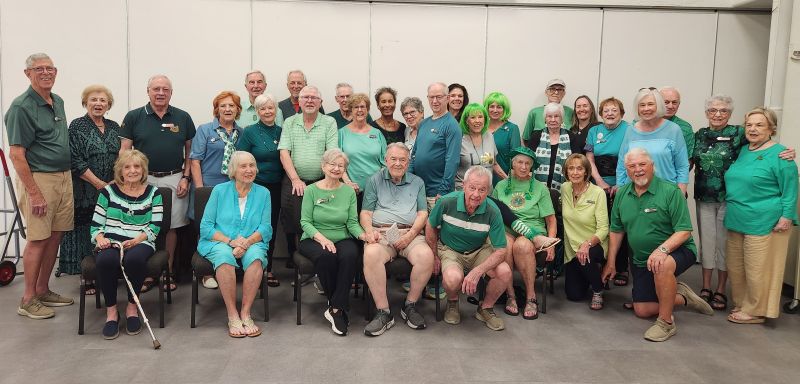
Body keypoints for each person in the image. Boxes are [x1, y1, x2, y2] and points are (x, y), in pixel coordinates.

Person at [692, 97, 794, 311]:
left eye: (723, 110)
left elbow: (769, 153)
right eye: (712, 110)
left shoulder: (741, 135)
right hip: (709, 198)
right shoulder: (701, 135)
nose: (717, 114)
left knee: (729, 249)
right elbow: (689, 161)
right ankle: (711, 289)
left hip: (737, 203)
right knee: (715, 248)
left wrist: (788, 152)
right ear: (706, 112)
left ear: (730, 114)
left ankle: (724, 291)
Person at [602, 148, 713, 342]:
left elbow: (684, 230)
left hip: (678, 251)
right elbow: (616, 230)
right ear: (626, 170)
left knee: (661, 265)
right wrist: (611, 262)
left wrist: (662, 250)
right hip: (641, 260)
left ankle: (666, 322)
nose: (638, 170)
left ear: (653, 166)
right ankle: (683, 297)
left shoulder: (671, 192)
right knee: (642, 310)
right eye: (632, 166)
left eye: (642, 164)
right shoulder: (621, 195)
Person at [6, 53, 74, 319]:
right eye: (39, 69)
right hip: (39, 179)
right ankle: (27, 299)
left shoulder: (57, 101)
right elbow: (16, 154)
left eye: (50, 68)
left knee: (55, 235)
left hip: (63, 177)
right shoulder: (21, 107)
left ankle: (43, 289)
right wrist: (34, 193)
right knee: (37, 238)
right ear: (27, 73)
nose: (46, 73)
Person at [120, 74, 195, 293]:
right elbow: (124, 150)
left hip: (175, 177)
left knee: (170, 227)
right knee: (143, 225)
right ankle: (145, 273)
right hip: (143, 179)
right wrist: (125, 180)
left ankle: (167, 271)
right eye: (156, 89)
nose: (160, 93)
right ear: (148, 91)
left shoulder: (182, 117)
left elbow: (191, 152)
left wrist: (186, 177)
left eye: (165, 89)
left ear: (171, 93)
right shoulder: (134, 116)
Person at [724, 107, 798, 324]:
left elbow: (791, 189)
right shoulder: (744, 150)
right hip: (737, 218)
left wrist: (787, 217)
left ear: (771, 129)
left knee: (758, 269)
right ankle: (742, 303)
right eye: (749, 125)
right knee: (736, 267)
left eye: (759, 125)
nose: (753, 129)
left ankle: (756, 310)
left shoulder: (782, 155)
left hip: (765, 220)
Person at [198, 151, 273, 338]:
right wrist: (230, 242)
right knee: (224, 256)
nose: (249, 170)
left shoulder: (264, 193)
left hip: (251, 241)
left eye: (252, 165)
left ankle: (246, 313)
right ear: (233, 170)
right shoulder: (219, 191)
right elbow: (206, 227)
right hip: (219, 241)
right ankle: (232, 315)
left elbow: (265, 228)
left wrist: (246, 243)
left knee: (256, 257)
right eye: (243, 166)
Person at [427, 166, 512, 330]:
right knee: (452, 278)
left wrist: (477, 271)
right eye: (472, 188)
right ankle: (452, 303)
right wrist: (434, 256)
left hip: (479, 249)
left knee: (504, 272)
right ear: (463, 185)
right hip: (450, 249)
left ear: (488, 190)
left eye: (482, 189)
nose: (476, 194)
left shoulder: (493, 210)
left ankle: (485, 308)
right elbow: (430, 226)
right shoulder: (447, 202)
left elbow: (501, 249)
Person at [361, 143, 433, 336]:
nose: (398, 163)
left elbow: (422, 213)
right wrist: (369, 232)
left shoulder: (418, 182)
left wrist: (410, 236)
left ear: (408, 162)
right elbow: (366, 212)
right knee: (371, 253)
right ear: (386, 160)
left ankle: (410, 306)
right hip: (382, 233)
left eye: (402, 160)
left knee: (426, 256)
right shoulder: (374, 180)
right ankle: (383, 312)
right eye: (393, 159)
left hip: (410, 233)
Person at [90, 150, 163, 339]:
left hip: (141, 240)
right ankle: (112, 312)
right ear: (120, 171)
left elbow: (155, 227)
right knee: (106, 261)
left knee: (135, 260)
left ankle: (132, 308)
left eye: (137, 166)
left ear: (144, 170)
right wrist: (100, 239)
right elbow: (96, 225)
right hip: (111, 240)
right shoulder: (107, 192)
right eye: (127, 167)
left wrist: (138, 239)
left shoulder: (154, 193)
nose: (132, 171)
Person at [299, 149, 371, 336]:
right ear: (323, 166)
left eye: (341, 166)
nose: (336, 168)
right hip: (313, 237)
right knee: (326, 255)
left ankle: (335, 308)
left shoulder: (348, 192)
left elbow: (352, 223)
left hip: (342, 236)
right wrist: (322, 239)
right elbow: (305, 222)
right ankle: (339, 307)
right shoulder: (311, 190)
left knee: (350, 255)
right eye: (332, 164)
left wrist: (364, 236)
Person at [59, 85, 120, 285]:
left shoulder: (114, 126)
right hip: (84, 189)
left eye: (103, 100)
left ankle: (105, 270)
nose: (98, 104)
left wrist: (115, 181)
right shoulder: (77, 126)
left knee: (106, 228)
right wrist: (98, 183)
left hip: (111, 189)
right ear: (85, 102)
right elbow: (74, 160)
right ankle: (87, 276)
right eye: (93, 100)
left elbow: (122, 156)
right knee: (85, 230)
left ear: (108, 105)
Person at [492, 147, 560, 319]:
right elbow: (492, 214)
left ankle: (531, 297)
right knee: (505, 244)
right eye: (519, 162)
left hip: (532, 230)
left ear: (532, 167)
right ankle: (511, 295)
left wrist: (550, 245)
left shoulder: (540, 188)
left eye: (527, 163)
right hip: (506, 230)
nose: (523, 167)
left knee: (522, 245)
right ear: (512, 164)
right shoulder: (500, 186)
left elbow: (551, 220)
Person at [278, 85, 338, 271]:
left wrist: (323, 182)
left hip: (322, 180)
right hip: (295, 179)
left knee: (321, 220)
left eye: (314, 97)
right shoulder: (290, 122)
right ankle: (297, 261)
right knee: (293, 220)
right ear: (299, 102)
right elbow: (284, 152)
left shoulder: (329, 122)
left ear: (320, 102)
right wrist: (296, 179)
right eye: (306, 97)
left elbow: (331, 153)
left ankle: (319, 261)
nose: (310, 101)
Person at [236, 93, 284, 287]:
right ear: (257, 112)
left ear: (276, 110)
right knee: (251, 225)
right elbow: (240, 158)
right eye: (263, 108)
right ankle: (246, 265)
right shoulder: (249, 132)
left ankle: (267, 267)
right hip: (254, 187)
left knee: (268, 227)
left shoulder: (282, 131)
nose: (267, 112)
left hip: (277, 186)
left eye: (270, 108)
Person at [615, 88, 689, 195]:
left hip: (666, 194)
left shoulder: (673, 130)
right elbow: (622, 164)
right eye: (642, 105)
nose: (646, 108)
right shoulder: (630, 130)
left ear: (658, 106)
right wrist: (621, 191)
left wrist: (680, 194)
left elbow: (682, 166)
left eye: (650, 104)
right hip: (634, 193)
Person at [560, 154, 608, 309]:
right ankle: (590, 272)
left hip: (594, 244)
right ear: (566, 172)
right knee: (574, 295)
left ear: (586, 171)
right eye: (571, 168)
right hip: (572, 248)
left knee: (586, 256)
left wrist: (587, 244)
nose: (575, 172)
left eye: (579, 168)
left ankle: (598, 289)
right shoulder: (564, 188)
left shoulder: (597, 192)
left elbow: (603, 228)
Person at [409, 82, 462, 209]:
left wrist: (443, 190)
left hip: (437, 193)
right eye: (431, 97)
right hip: (418, 190)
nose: (435, 101)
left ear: (447, 98)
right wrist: (408, 180)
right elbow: (414, 154)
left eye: (439, 97)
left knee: (436, 228)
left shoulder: (452, 125)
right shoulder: (423, 123)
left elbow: (452, 161)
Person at [339, 93, 387, 203]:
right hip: (350, 190)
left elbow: (386, 162)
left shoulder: (377, 133)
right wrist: (348, 183)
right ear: (351, 110)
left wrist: (377, 183)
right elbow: (337, 162)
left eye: (363, 107)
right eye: (356, 107)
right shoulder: (342, 133)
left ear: (367, 109)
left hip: (376, 190)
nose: (359, 110)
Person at [190, 91, 243, 189]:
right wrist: (200, 189)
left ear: (237, 109)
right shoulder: (204, 129)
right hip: (207, 185)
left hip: (233, 186)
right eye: (223, 106)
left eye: (231, 105)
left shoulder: (241, 133)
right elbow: (195, 162)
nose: (227, 109)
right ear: (217, 110)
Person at [527, 102, 580, 190]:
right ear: (545, 119)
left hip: (565, 188)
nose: (553, 119)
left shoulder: (571, 137)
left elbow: (578, 161)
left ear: (562, 119)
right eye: (549, 116)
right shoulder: (536, 136)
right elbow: (528, 160)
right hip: (537, 187)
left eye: (556, 116)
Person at [456, 103, 505, 190]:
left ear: (485, 119)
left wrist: (508, 180)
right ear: (466, 121)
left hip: (486, 191)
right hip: (465, 192)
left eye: (480, 117)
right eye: (473, 117)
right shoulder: (459, 139)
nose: (477, 121)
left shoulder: (489, 136)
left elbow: (494, 164)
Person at [484, 92, 521, 187]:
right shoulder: (481, 128)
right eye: (492, 106)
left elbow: (516, 157)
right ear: (487, 108)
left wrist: (510, 180)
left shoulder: (512, 128)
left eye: (499, 107)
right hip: (482, 178)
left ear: (505, 109)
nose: (495, 110)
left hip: (503, 179)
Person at [522, 79, 574, 145]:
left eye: (560, 89)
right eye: (552, 89)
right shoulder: (534, 112)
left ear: (564, 94)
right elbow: (526, 139)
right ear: (546, 92)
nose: (556, 92)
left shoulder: (570, 112)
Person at [660, 86, 694, 159]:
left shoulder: (685, 127)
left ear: (679, 104)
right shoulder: (646, 124)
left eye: (674, 102)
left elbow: (688, 160)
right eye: (666, 102)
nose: (670, 106)